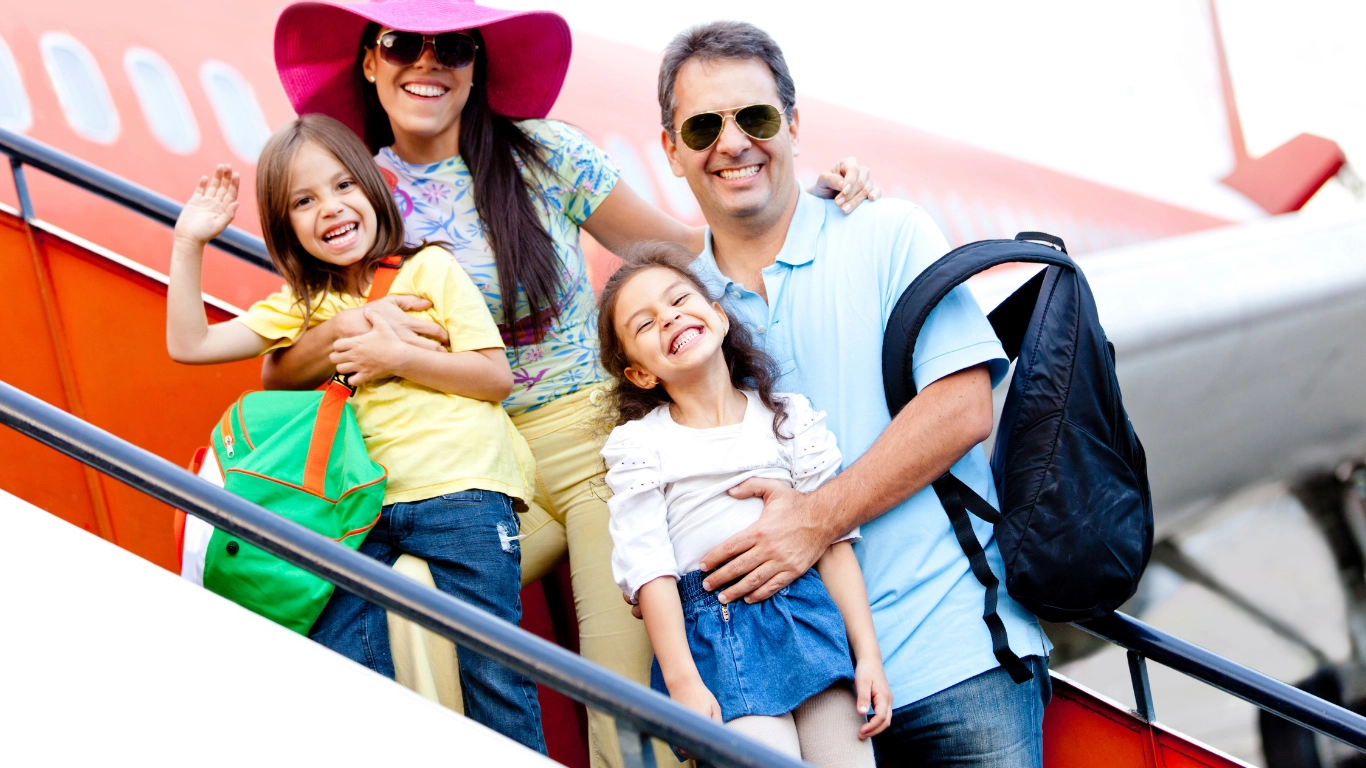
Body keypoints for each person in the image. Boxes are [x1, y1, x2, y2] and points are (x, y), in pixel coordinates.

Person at [269, 3, 879, 764]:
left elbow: (680, 247)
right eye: (401, 44)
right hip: (476, 467)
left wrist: (802, 204)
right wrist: (356, 328)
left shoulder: (544, 153)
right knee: (409, 606)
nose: (427, 62)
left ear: (477, 66)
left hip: (595, 447)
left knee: (621, 701)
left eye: (452, 47)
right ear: (369, 61)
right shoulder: (355, 191)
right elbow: (283, 357)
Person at [653, 22, 1053, 767]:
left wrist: (815, 520)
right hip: (797, 698)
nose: (733, 143)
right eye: (704, 127)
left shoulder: (887, 232)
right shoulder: (679, 307)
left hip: (950, 658)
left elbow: (963, 408)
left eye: (755, 117)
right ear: (672, 150)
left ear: (794, 125)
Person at [163, 114, 545, 754]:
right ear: (286, 227)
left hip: (461, 492)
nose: (331, 208)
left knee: (494, 673)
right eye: (303, 201)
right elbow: (190, 344)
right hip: (361, 508)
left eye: (343, 186)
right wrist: (189, 243)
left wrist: (395, 358)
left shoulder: (429, 270)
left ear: (372, 188)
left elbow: (492, 377)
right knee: (343, 659)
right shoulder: (300, 306)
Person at [595, 244, 890, 767]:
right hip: (717, 635)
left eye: (679, 300)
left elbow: (833, 542)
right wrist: (684, 683)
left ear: (718, 315)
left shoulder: (787, 417)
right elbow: (650, 572)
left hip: (807, 620)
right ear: (640, 374)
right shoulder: (641, 445)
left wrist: (868, 655)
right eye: (645, 324)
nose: (669, 318)